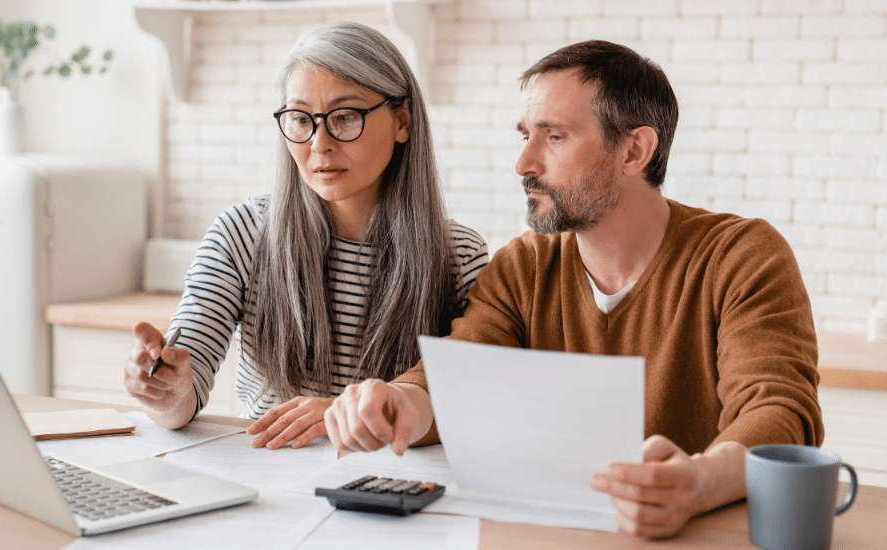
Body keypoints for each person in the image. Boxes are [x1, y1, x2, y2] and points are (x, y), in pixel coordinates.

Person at [323, 40, 823, 539]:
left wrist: (698, 482)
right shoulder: (524, 265)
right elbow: (456, 377)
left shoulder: (740, 255)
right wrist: (396, 403)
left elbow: (779, 415)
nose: (523, 163)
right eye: (525, 136)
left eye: (554, 137)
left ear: (634, 151)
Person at [123, 21, 488, 451]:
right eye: (300, 119)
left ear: (402, 119)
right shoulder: (243, 233)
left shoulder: (459, 255)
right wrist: (164, 387)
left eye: (346, 117)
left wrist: (342, 417)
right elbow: (185, 389)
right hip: (271, 476)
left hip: (394, 487)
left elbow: (468, 405)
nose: (320, 144)